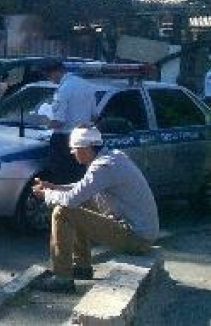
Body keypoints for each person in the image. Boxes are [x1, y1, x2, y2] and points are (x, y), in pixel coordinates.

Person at [31, 125, 160, 293]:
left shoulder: (103, 166)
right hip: (139, 232)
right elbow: (83, 189)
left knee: (62, 211)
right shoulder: (112, 158)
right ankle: (82, 266)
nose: (73, 154)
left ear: (85, 148)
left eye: (74, 150)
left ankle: (62, 278)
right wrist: (54, 187)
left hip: (137, 239)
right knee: (80, 203)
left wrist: (47, 195)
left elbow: (71, 200)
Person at [40, 59, 98, 184]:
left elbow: (59, 121)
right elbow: (94, 116)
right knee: (82, 177)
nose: (50, 79)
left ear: (56, 72)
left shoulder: (64, 89)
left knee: (63, 177)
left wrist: (43, 126)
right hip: (85, 138)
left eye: (48, 75)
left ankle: (67, 202)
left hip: (64, 140)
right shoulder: (87, 86)